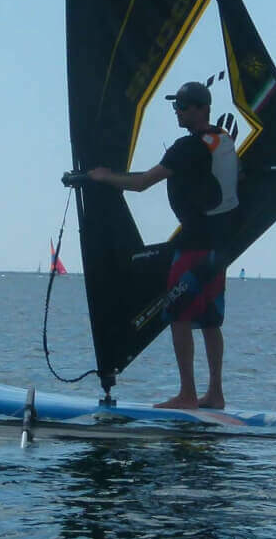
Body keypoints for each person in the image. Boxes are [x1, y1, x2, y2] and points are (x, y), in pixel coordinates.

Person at [85, 79, 240, 409]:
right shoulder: (222, 140)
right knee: (210, 320)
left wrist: (102, 177)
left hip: (195, 246)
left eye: (183, 107)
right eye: (176, 107)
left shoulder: (188, 148)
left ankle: (187, 394)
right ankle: (215, 393)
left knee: (179, 316)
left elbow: (141, 183)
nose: (177, 113)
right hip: (220, 247)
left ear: (201, 109)